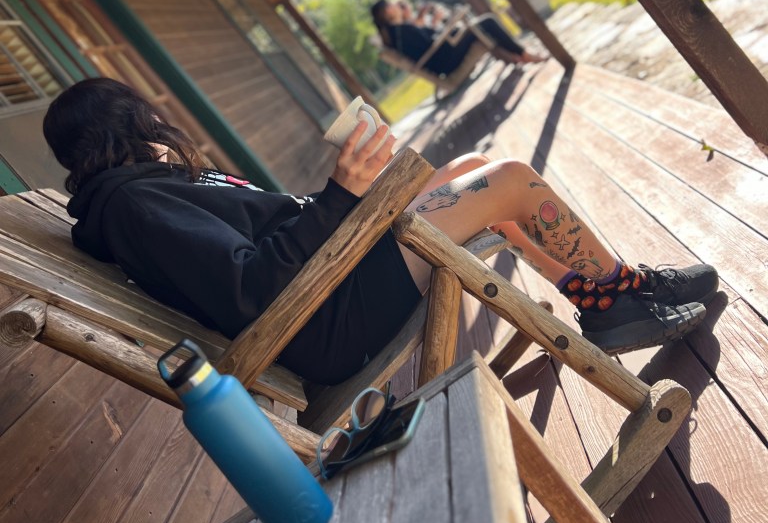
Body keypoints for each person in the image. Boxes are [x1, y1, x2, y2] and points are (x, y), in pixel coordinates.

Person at [42, 78, 718, 387]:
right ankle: (621, 293)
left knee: (473, 170)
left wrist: (355, 194)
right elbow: (250, 288)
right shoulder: (137, 208)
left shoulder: (146, 196)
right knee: (507, 180)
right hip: (327, 320)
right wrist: (341, 196)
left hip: (335, 280)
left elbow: (268, 241)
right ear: (129, 127)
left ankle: (606, 293)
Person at [371, 0, 546, 75]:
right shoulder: (402, 30)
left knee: (477, 27)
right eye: (393, 4)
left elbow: (427, 43)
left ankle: (515, 55)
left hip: (440, 59)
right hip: (445, 61)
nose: (397, 6)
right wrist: (443, 27)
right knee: (486, 23)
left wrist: (445, 27)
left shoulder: (397, 34)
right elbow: (431, 44)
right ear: (388, 10)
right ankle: (523, 54)